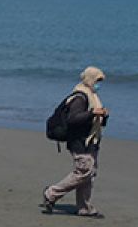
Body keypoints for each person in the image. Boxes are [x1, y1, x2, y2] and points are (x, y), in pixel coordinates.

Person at [42, 67, 109, 218]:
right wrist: (93, 113)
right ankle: (51, 193)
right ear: (90, 79)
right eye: (97, 81)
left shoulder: (93, 97)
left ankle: (85, 207)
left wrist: (103, 115)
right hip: (79, 141)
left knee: (89, 173)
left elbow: (97, 122)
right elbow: (73, 119)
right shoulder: (80, 97)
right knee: (84, 172)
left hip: (91, 140)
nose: (99, 84)